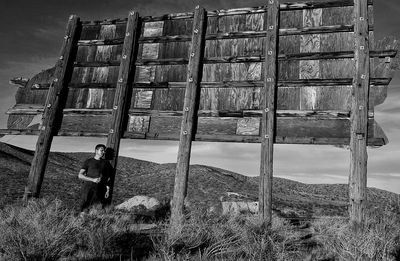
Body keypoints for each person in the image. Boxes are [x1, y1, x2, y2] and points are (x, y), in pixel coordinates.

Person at [78, 144, 113, 213]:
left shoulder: (106, 163)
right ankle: (81, 221)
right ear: (96, 150)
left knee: (97, 208)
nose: (103, 152)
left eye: (104, 151)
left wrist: (108, 189)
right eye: (101, 150)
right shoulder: (89, 161)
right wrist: (92, 179)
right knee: (84, 207)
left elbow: (108, 177)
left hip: (100, 189)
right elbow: (80, 175)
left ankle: (94, 222)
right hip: (88, 188)